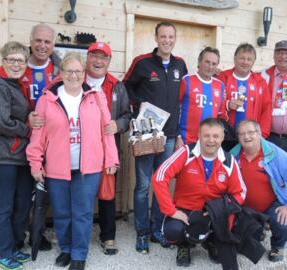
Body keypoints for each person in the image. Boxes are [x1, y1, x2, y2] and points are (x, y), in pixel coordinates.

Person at [26, 52, 119, 270]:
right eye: (69, 71)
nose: (74, 75)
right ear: (61, 73)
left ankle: (79, 254)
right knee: (62, 212)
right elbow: (38, 136)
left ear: (84, 73)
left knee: (83, 212)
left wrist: (111, 158)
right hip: (57, 167)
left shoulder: (96, 97)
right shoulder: (47, 99)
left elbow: (107, 130)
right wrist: (35, 163)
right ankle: (66, 249)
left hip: (89, 167)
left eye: (78, 71)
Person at [123, 21, 188, 253]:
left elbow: (183, 99)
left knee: (160, 183)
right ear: (156, 37)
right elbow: (125, 88)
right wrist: (138, 108)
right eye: (163, 36)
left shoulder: (181, 65)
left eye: (171, 36)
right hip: (147, 135)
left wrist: (180, 133)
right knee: (142, 186)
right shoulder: (142, 63)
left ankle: (156, 230)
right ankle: (141, 233)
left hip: (169, 136)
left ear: (175, 38)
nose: (167, 40)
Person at [152, 118, 247, 269]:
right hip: (186, 209)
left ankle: (211, 242)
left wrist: (222, 210)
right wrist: (171, 210)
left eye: (216, 136)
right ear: (199, 135)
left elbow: (240, 192)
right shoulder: (186, 152)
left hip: (213, 211)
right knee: (173, 230)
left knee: (234, 224)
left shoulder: (229, 161)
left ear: (222, 137)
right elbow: (159, 177)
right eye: (206, 135)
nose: (211, 140)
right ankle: (184, 246)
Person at [0, 41, 34, 270]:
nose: (17, 64)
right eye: (12, 59)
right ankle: (4, 252)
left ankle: (14, 246)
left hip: (17, 154)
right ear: (3, 62)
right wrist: (27, 129)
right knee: (4, 205)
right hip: (0, 155)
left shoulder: (16, 86)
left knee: (21, 202)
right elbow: (0, 122)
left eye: (21, 60)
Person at [229, 120, 287, 262]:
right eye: (241, 134)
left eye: (250, 132)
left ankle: (278, 245)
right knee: (243, 244)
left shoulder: (274, 154)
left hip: (271, 205)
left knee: (284, 222)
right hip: (244, 209)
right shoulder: (232, 156)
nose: (246, 137)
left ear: (259, 134)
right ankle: (258, 230)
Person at [85, 42, 131, 255]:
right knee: (79, 193)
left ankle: (108, 237)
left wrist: (118, 125)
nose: (98, 61)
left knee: (107, 194)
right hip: (81, 148)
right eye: (94, 56)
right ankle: (77, 235)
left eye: (103, 57)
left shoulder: (117, 86)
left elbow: (127, 116)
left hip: (107, 150)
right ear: (87, 58)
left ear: (109, 61)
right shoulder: (76, 79)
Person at [217, 43, 271, 148]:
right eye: (242, 58)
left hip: (250, 138)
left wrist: (262, 136)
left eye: (249, 59)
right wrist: (227, 104)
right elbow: (213, 104)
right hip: (225, 137)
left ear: (253, 62)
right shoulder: (222, 78)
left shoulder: (260, 82)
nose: (245, 62)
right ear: (235, 58)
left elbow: (266, 110)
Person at [176, 47, 227, 146]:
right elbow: (175, 110)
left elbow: (221, 115)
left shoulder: (220, 85)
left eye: (214, 64)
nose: (210, 66)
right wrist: (178, 136)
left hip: (208, 143)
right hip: (186, 140)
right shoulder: (186, 81)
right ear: (199, 62)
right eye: (207, 62)